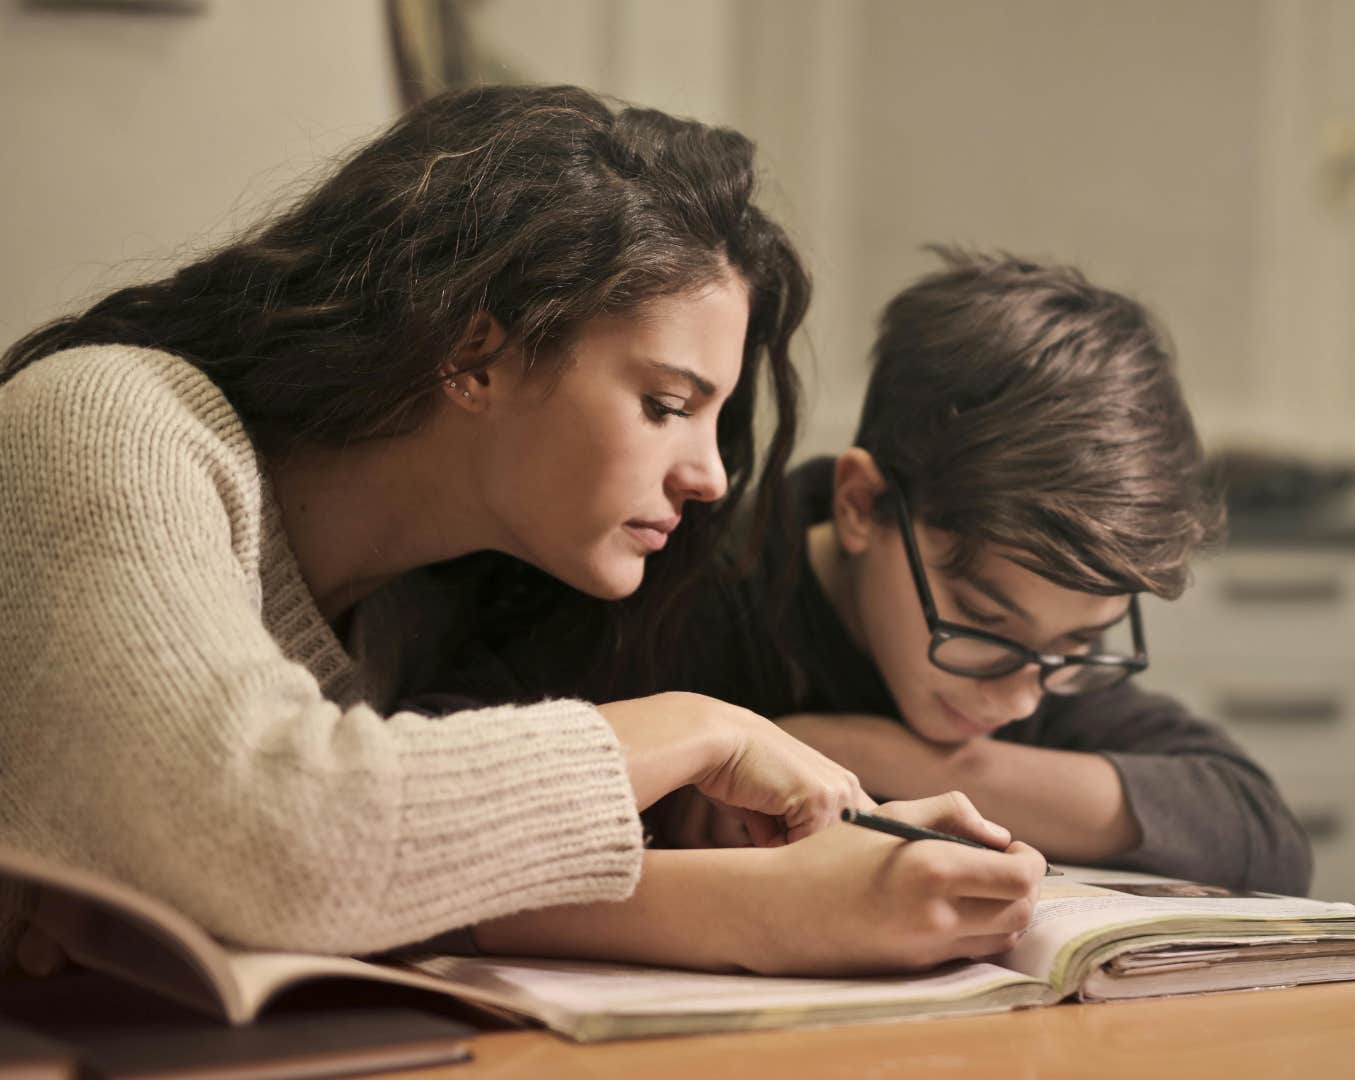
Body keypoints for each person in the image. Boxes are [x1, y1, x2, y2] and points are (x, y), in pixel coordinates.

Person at [0, 86, 1040, 977]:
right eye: (667, 404)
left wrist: (795, 874)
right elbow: (282, 841)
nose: (712, 476)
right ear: (474, 354)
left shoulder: (427, 607)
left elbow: (373, 876)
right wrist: (698, 731)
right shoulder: (110, 421)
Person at [441, 249, 1313, 895]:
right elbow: (433, 786)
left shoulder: (1035, 661)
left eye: (1080, 645)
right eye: (983, 622)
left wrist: (870, 754)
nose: (1021, 699)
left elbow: (1257, 830)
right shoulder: (672, 586)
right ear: (860, 504)